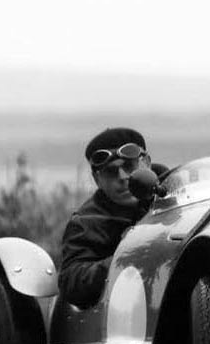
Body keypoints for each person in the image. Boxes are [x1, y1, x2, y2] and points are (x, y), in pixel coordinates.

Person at [58, 127, 161, 308]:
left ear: (147, 163)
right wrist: (126, 257)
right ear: (97, 180)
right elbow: (71, 281)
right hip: (124, 311)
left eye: (129, 166)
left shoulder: (179, 192)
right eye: (111, 172)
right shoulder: (87, 222)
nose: (122, 177)